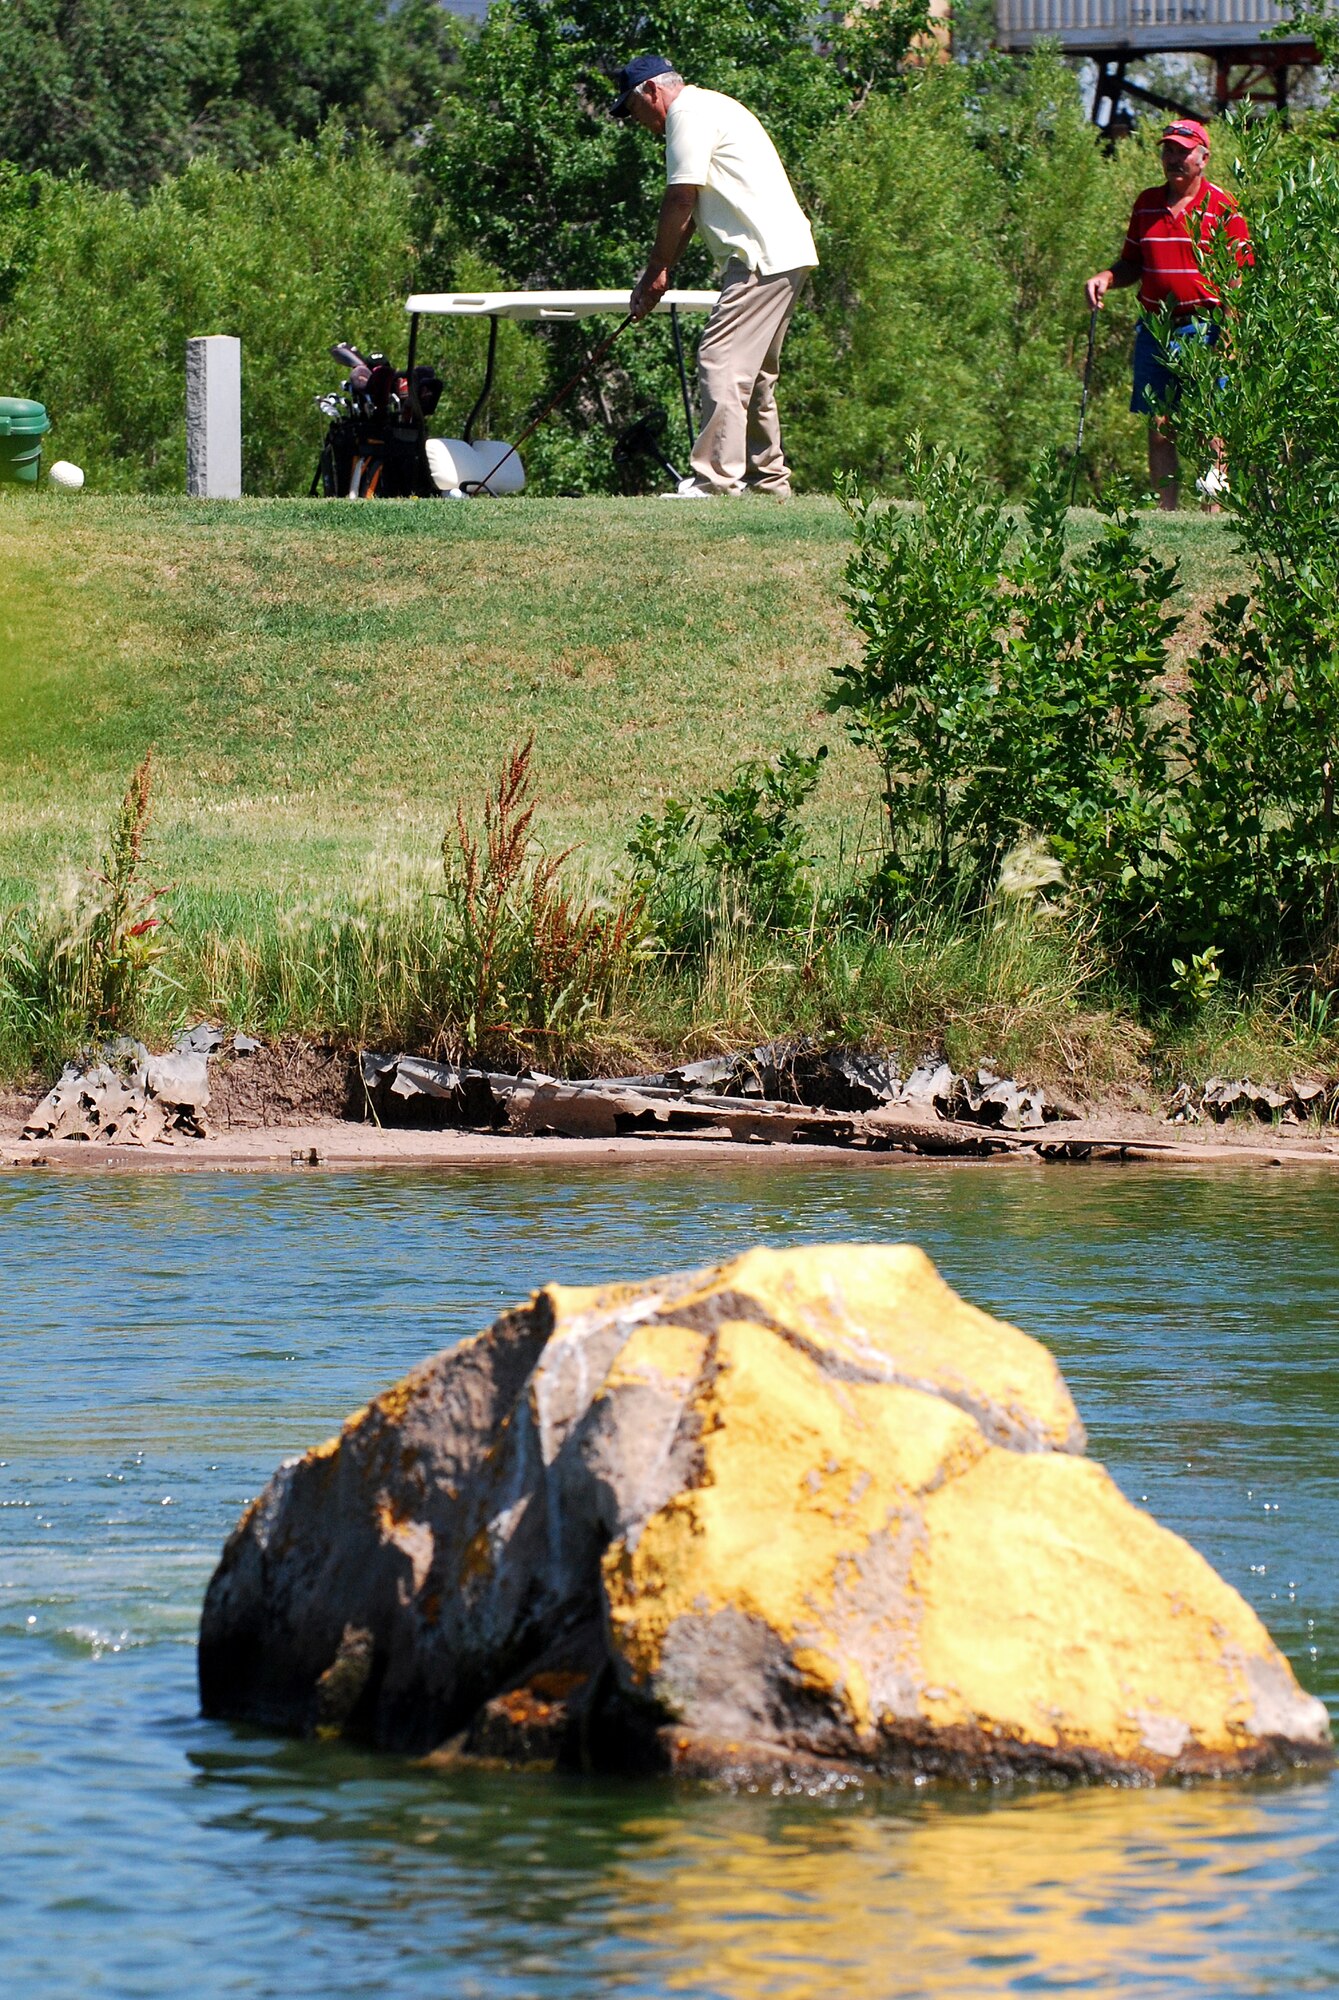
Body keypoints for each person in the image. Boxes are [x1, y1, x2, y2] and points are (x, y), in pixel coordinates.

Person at [613, 54, 818, 499]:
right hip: (787, 252)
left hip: (759, 256)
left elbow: (680, 201)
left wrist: (652, 271)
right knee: (755, 374)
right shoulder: (712, 105)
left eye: (633, 109)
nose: (637, 120)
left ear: (652, 91)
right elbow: (690, 213)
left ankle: (715, 480)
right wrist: (662, 270)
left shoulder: (685, 113)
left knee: (719, 358)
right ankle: (769, 481)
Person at [1085, 118, 1250, 510]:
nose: (1174, 158)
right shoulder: (1146, 205)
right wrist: (1107, 277)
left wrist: (1229, 338)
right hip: (1157, 329)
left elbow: (1238, 279)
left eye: (1183, 151)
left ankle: (1215, 510)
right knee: (1160, 426)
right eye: (1168, 150)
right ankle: (1167, 512)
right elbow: (1131, 263)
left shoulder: (1223, 206)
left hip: (1207, 325)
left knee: (1213, 424)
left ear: (1204, 158)